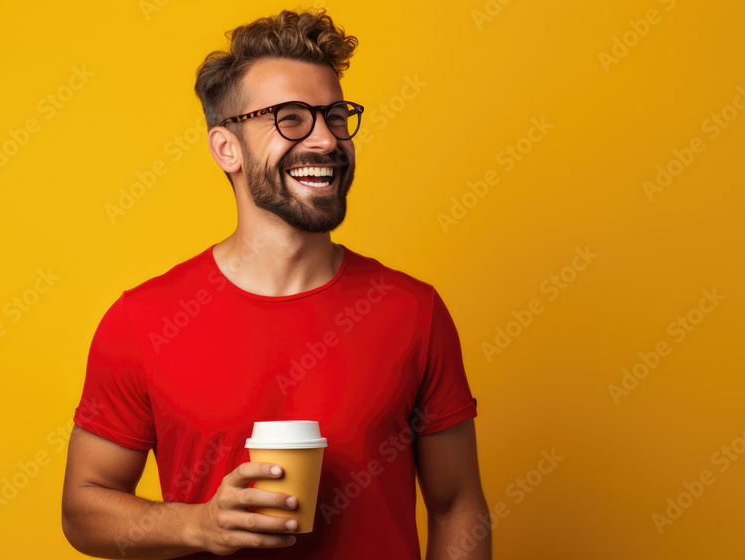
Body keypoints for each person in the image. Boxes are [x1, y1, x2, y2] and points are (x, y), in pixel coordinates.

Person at [61, 8, 490, 560]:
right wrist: (197, 526)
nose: (326, 140)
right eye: (291, 118)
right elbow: (83, 508)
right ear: (226, 148)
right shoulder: (142, 321)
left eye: (335, 116)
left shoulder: (414, 311)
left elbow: (457, 503)